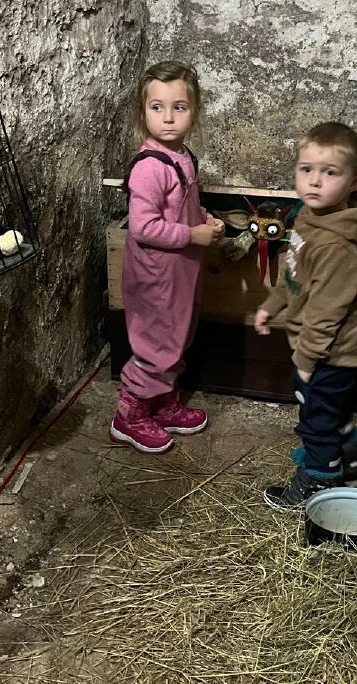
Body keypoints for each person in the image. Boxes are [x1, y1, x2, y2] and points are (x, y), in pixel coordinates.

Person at [254, 122, 357, 509]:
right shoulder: (309, 218)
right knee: (327, 410)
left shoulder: (337, 246)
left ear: (353, 182)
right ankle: (345, 447)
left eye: (330, 172)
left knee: (314, 419)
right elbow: (295, 274)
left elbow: (328, 311)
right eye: (306, 169)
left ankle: (320, 478)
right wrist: (272, 304)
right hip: (316, 344)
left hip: (332, 351)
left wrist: (307, 358)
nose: (314, 181)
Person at [111, 61, 225, 454]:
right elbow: (143, 227)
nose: (169, 117)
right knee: (156, 343)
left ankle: (161, 403)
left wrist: (205, 219)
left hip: (182, 270)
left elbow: (181, 208)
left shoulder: (182, 155)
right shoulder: (149, 167)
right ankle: (129, 414)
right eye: (157, 107)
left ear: (194, 112)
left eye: (179, 107)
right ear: (142, 113)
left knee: (177, 337)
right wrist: (192, 234)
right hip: (156, 275)